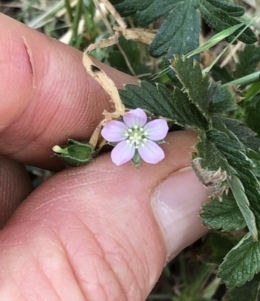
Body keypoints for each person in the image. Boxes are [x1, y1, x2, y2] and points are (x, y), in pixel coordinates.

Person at [0, 13, 209, 300]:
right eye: (133, 133)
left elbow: (140, 132)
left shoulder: (147, 129)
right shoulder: (125, 137)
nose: (135, 135)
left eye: (138, 132)